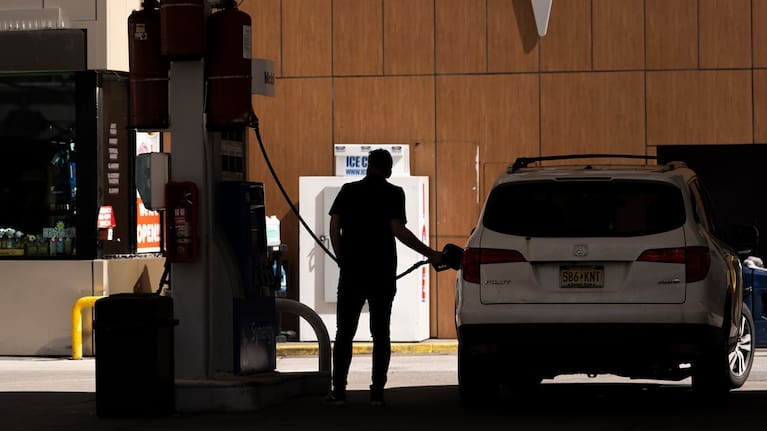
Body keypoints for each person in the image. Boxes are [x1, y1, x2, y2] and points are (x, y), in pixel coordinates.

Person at [326, 149, 442, 407]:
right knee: (381, 334)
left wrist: (341, 257)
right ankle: (376, 392)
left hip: (352, 271)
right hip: (382, 272)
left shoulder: (348, 190)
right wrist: (430, 253)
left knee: (344, 332)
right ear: (389, 170)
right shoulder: (393, 193)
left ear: (368, 167)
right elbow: (398, 230)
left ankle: (339, 392)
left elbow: (334, 225)